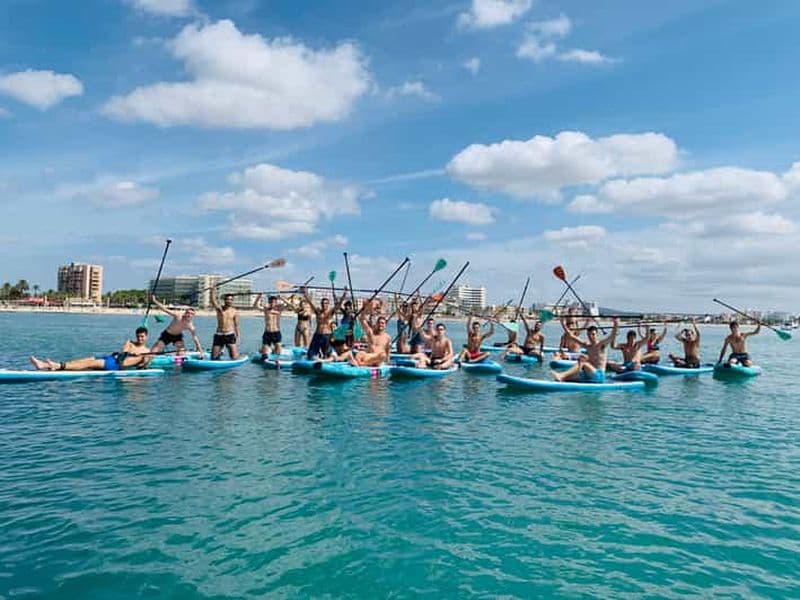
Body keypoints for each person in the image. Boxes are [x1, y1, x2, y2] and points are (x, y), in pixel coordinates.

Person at [30, 327, 152, 371]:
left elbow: (144, 366)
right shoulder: (130, 342)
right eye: (138, 336)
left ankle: (55, 365)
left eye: (142, 336)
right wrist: (130, 352)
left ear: (146, 337)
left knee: (88, 363)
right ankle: (45, 365)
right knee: (83, 361)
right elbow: (125, 350)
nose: (140, 338)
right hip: (111, 358)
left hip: (116, 365)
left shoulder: (147, 351)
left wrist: (144, 359)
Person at [553, 319, 619, 383]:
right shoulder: (587, 345)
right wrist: (563, 324)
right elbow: (571, 335)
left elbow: (612, 335)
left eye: (593, 334)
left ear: (597, 335)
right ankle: (562, 378)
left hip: (599, 375)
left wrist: (616, 323)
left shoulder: (601, 345)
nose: (591, 336)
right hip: (589, 373)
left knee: (582, 362)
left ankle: (561, 375)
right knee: (567, 378)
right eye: (589, 334)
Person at [303, 286, 347, 359]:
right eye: (323, 303)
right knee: (310, 354)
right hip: (317, 335)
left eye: (326, 303)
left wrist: (344, 294)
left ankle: (326, 358)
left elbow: (338, 305)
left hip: (327, 336)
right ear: (321, 304)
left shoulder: (330, 312)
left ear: (328, 304)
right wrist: (305, 293)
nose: (324, 305)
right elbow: (310, 303)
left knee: (327, 354)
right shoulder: (318, 312)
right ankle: (317, 357)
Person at [210, 289, 240, 360]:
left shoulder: (235, 311)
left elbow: (236, 325)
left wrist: (238, 337)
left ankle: (225, 352)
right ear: (224, 300)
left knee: (234, 357)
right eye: (227, 299)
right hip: (219, 335)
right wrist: (212, 291)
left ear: (232, 301)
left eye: (231, 299)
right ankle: (220, 352)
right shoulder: (220, 309)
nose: (229, 301)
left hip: (230, 335)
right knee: (214, 358)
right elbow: (213, 301)